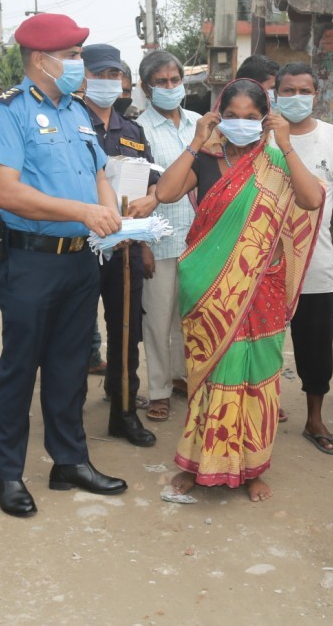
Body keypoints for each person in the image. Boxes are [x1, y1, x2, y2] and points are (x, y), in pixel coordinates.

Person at [0, 13, 128, 519]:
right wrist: (84, 212)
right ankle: (7, 471)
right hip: (30, 262)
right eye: (70, 56)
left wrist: (107, 211)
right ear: (42, 60)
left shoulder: (77, 112)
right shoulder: (7, 113)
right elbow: (6, 191)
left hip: (80, 260)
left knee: (70, 367)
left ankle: (69, 461)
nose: (77, 65)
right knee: (20, 368)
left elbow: (99, 173)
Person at [156, 78, 324, 502]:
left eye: (252, 117)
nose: (241, 124)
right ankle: (196, 465)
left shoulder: (274, 161)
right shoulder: (208, 160)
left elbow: (310, 200)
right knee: (212, 373)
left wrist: (286, 145)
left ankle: (252, 469)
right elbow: (165, 191)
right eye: (232, 116)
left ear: (266, 120)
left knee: (257, 377)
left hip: (262, 287)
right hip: (209, 287)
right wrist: (197, 140)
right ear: (218, 115)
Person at [273, 62, 333, 455]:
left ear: (316, 94)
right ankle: (261, 413)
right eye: (286, 91)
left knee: (316, 348)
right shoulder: (263, 139)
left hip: (317, 267)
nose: (295, 98)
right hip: (266, 268)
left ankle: (314, 418)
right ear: (275, 94)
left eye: (302, 90)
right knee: (263, 347)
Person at [80, 43, 158, 448]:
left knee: (126, 329)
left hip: (125, 247)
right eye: (100, 74)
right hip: (79, 245)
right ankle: (69, 411)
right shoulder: (70, 123)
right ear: (82, 77)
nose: (108, 82)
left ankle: (123, 409)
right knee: (75, 331)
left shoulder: (132, 131)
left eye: (115, 75)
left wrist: (143, 244)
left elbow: (144, 188)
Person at [136, 50, 201, 423]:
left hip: (200, 239)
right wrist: (142, 243)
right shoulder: (138, 130)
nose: (170, 87)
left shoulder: (199, 124)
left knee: (190, 317)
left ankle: (182, 378)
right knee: (158, 319)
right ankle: (158, 389)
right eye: (161, 82)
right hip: (158, 240)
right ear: (147, 88)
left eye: (175, 80)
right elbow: (135, 190)